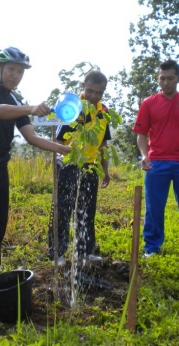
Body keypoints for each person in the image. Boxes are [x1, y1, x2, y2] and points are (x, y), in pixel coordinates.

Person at [0, 47, 70, 301]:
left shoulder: (17, 102)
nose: (15, 75)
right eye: (11, 70)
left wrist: (64, 149)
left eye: (20, 71)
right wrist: (31, 108)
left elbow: (31, 137)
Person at [133, 59, 179, 256]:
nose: (165, 83)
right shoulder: (148, 103)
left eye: (170, 78)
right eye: (162, 78)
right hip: (156, 163)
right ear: (158, 78)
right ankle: (152, 247)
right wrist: (144, 156)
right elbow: (141, 134)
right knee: (154, 207)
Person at [47, 70, 112, 267]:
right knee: (63, 209)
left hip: (90, 167)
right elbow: (58, 139)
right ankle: (56, 252)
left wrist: (105, 170)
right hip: (69, 164)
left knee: (87, 210)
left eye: (98, 93)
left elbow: (102, 145)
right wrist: (60, 160)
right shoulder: (72, 108)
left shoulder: (104, 112)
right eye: (90, 90)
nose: (93, 96)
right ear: (82, 86)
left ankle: (85, 251)